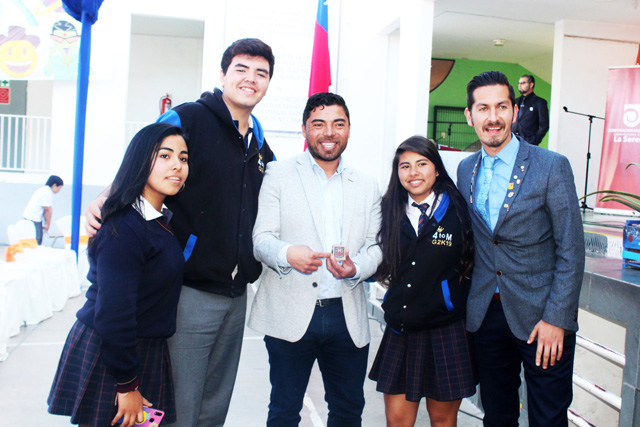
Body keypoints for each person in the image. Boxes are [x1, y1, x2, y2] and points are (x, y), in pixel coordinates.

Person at [85, 38, 276, 426]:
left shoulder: (259, 143)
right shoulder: (189, 117)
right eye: (241, 69)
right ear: (223, 74)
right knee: (181, 405)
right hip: (190, 291)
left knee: (214, 406)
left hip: (236, 294)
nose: (251, 79)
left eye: (261, 73)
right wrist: (107, 196)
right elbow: (144, 153)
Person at [457, 71, 585, 426]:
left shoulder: (551, 166)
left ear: (515, 111)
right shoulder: (465, 170)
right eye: (483, 108)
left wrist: (557, 319)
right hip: (486, 314)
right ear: (469, 115)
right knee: (497, 416)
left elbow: (571, 249)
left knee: (547, 417)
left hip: (542, 317)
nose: (493, 117)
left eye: (501, 106)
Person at [248, 92, 382, 426]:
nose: (329, 132)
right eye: (318, 124)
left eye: (338, 124)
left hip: (346, 316)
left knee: (348, 411)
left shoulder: (367, 185)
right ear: (304, 129)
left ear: (349, 128)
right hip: (290, 313)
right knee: (284, 411)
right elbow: (261, 239)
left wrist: (356, 268)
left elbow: (375, 247)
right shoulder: (278, 174)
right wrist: (287, 254)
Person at [48, 122, 189, 427]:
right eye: (165, 156)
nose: (177, 165)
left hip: (143, 350)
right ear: (140, 161)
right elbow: (114, 313)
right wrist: (126, 385)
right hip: (115, 354)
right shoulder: (126, 227)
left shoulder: (157, 221)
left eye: (183, 158)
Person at [369, 136, 477, 427]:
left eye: (422, 164)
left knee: (443, 421)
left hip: (446, 329)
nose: (413, 172)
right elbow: (375, 256)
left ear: (437, 169)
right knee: (397, 422)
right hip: (401, 329)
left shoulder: (459, 210)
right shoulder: (388, 210)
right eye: (405, 166)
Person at [22, 174, 63, 245]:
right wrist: (47, 224)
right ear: (54, 185)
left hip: (30, 217)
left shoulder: (43, 190)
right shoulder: (46, 193)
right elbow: (48, 210)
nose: (59, 190)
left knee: (32, 240)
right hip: (33, 219)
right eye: (59, 188)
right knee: (36, 241)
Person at [512, 74, 549, 146]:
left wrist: (535, 140)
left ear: (531, 85)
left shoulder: (539, 102)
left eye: (523, 83)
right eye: (519, 83)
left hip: (529, 143)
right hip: (513, 141)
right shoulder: (515, 101)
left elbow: (544, 125)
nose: (520, 85)